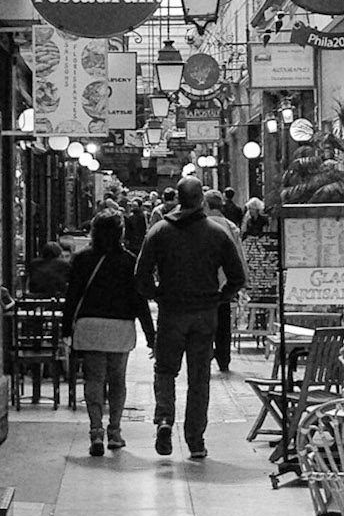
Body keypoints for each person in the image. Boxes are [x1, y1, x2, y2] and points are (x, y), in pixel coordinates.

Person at [134, 174, 245, 461]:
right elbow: (238, 276)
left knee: (165, 370)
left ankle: (164, 420)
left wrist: (156, 294)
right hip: (205, 313)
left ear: (178, 199)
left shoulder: (159, 231)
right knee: (199, 378)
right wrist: (221, 297)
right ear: (201, 200)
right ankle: (195, 439)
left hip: (172, 312)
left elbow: (141, 275)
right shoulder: (217, 233)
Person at [61, 208, 156, 457]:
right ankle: (114, 431)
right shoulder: (128, 261)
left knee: (93, 379)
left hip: (90, 325)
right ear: (120, 233)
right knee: (117, 381)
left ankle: (95, 431)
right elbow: (139, 300)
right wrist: (151, 334)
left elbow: (72, 296)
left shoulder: (82, 260)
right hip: (120, 327)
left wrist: (65, 328)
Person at [204, 188, 236, 372]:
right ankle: (224, 359)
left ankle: (205, 356)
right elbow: (239, 256)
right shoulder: (231, 226)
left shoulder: (201, 226)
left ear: (206, 205)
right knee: (224, 323)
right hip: (226, 284)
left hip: (205, 284)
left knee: (206, 323)